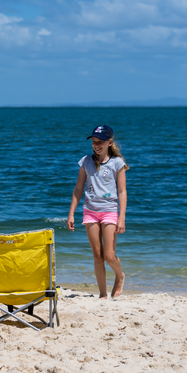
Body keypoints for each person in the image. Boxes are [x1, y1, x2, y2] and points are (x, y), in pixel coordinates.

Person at [66, 125, 128, 299]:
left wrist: (121, 218)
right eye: (94, 142)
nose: (96, 145)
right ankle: (102, 294)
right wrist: (71, 213)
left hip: (109, 211)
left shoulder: (117, 163)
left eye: (100, 142)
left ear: (110, 142)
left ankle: (120, 275)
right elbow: (78, 189)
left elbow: (122, 192)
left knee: (109, 255)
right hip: (90, 212)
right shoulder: (85, 161)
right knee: (98, 256)